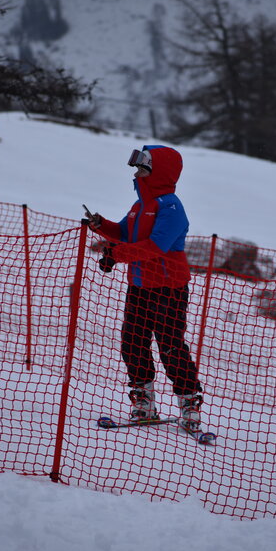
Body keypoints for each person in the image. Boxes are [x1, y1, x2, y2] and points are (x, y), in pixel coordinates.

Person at [86, 145, 203, 432]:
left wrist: (115, 254)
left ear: (159, 172)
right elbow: (124, 233)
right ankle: (143, 402)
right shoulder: (140, 207)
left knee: (170, 346)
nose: (136, 174)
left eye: (143, 169)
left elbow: (154, 248)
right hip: (139, 286)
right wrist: (101, 225)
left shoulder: (172, 208)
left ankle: (189, 403)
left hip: (169, 288)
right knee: (132, 342)